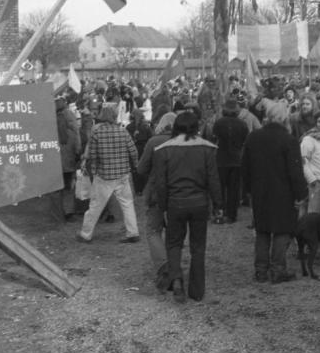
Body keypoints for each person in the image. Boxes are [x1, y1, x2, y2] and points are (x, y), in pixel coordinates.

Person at [151, 111, 222, 302]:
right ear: (196, 127)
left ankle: (176, 281)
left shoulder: (163, 150)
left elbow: (161, 184)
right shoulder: (207, 149)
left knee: (173, 243)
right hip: (199, 202)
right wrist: (218, 204)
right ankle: (197, 290)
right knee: (198, 246)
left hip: (175, 202)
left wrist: (164, 207)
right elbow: (213, 180)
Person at [241, 101, 307, 283]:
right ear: (284, 118)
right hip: (283, 192)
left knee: (262, 229)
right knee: (282, 230)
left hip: (259, 191)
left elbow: (244, 166)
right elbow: (295, 171)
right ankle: (278, 269)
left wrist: (247, 190)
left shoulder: (253, 137)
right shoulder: (289, 140)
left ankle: (260, 270)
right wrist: (301, 194)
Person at [77, 102, 140, 243]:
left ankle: (85, 234)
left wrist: (94, 171)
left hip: (104, 176)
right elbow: (133, 151)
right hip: (123, 174)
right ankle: (133, 232)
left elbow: (93, 155)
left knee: (95, 206)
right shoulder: (123, 131)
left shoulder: (97, 132)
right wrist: (135, 165)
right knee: (127, 204)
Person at [137, 111, 177, 292]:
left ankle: (163, 267)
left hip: (156, 192)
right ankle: (173, 267)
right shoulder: (185, 140)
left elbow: (141, 168)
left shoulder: (154, 141)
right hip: (179, 192)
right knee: (174, 233)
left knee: (153, 230)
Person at [210, 98, 249, 224]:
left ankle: (220, 213)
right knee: (234, 189)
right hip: (237, 159)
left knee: (220, 187)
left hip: (221, 158)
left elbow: (213, 139)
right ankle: (232, 215)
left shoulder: (219, 123)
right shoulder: (242, 124)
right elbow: (245, 141)